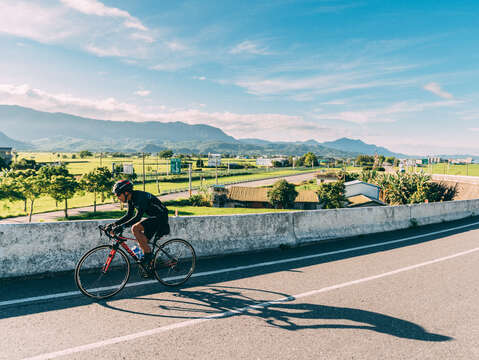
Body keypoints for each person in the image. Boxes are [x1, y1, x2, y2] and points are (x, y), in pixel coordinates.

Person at [107, 180, 169, 277]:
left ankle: (149, 257)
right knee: (142, 242)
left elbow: (137, 217)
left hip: (160, 217)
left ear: (126, 192)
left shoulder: (140, 198)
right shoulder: (131, 199)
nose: (117, 197)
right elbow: (128, 215)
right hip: (153, 217)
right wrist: (114, 224)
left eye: (118, 195)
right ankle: (152, 263)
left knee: (135, 228)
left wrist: (122, 226)